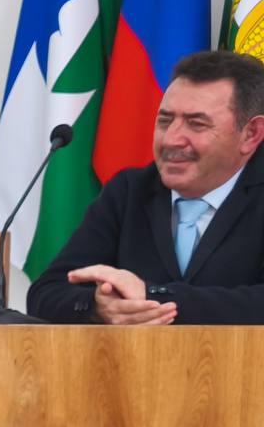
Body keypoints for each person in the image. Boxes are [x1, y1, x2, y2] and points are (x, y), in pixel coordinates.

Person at [29, 50, 264, 324]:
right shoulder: (130, 191)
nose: (172, 139)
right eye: (165, 121)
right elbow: (46, 293)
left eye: (196, 124)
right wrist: (99, 305)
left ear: (251, 134)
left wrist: (153, 297)